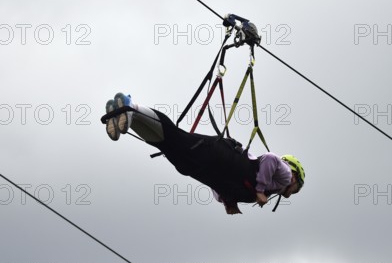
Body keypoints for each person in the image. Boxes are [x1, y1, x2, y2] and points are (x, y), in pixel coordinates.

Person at [103, 92, 305, 214]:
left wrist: (229, 201)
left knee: (168, 145)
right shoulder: (284, 175)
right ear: (294, 176)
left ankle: (130, 117)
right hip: (220, 157)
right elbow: (270, 158)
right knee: (175, 138)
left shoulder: (267, 190)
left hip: (205, 170)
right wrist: (260, 189)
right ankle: (132, 107)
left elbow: (221, 189)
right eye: (295, 190)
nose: (290, 194)